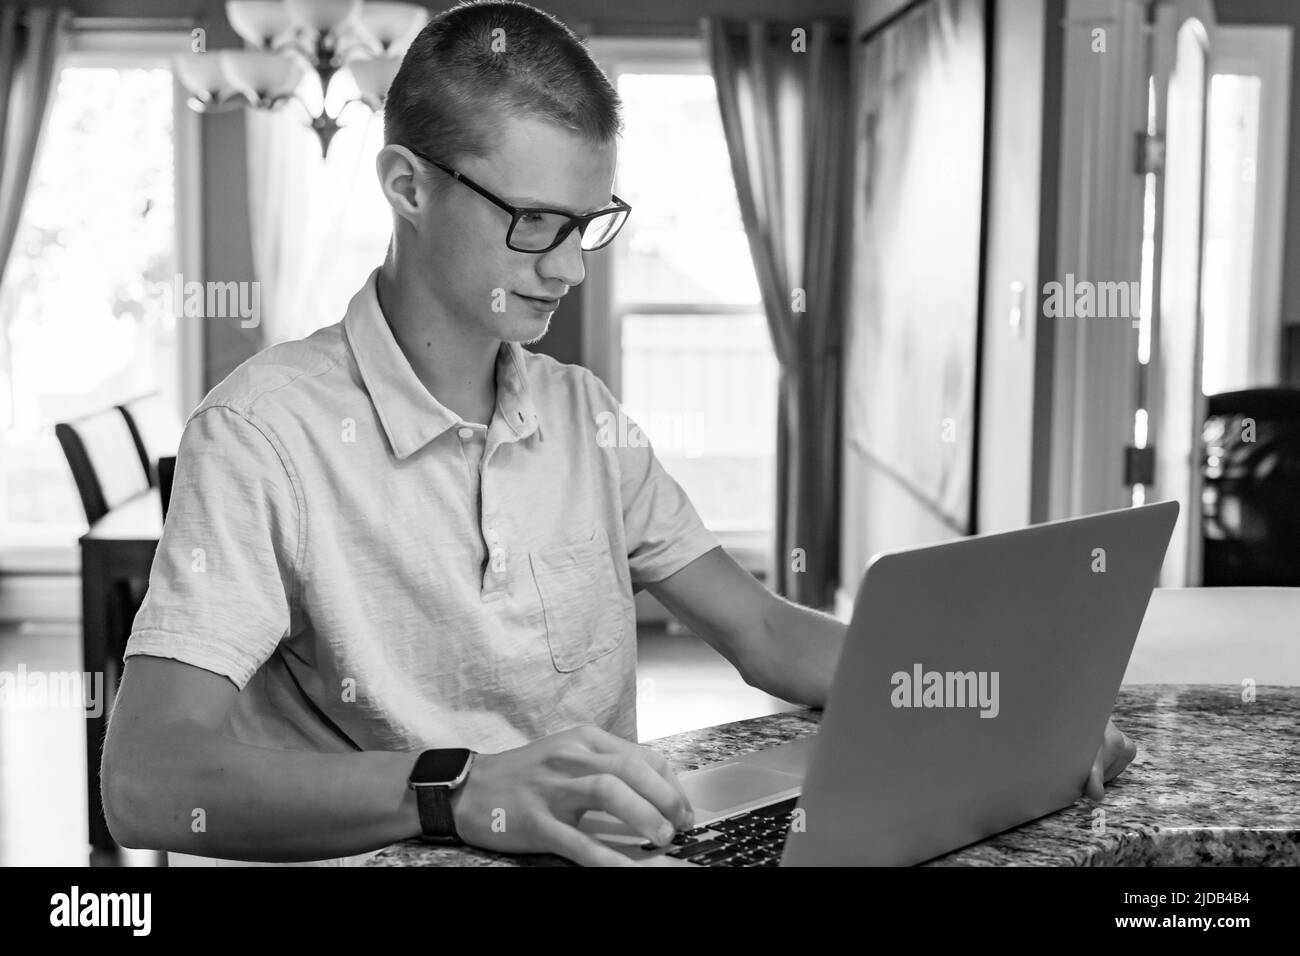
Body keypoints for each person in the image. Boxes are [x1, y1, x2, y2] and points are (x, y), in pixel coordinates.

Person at [102, 0, 1137, 867]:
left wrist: (997, 704)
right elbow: (150, 779)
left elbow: (764, 632)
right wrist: (459, 789)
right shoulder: (259, 432)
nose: (569, 267)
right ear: (408, 187)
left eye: (589, 223)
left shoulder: (583, 414)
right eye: (534, 221)